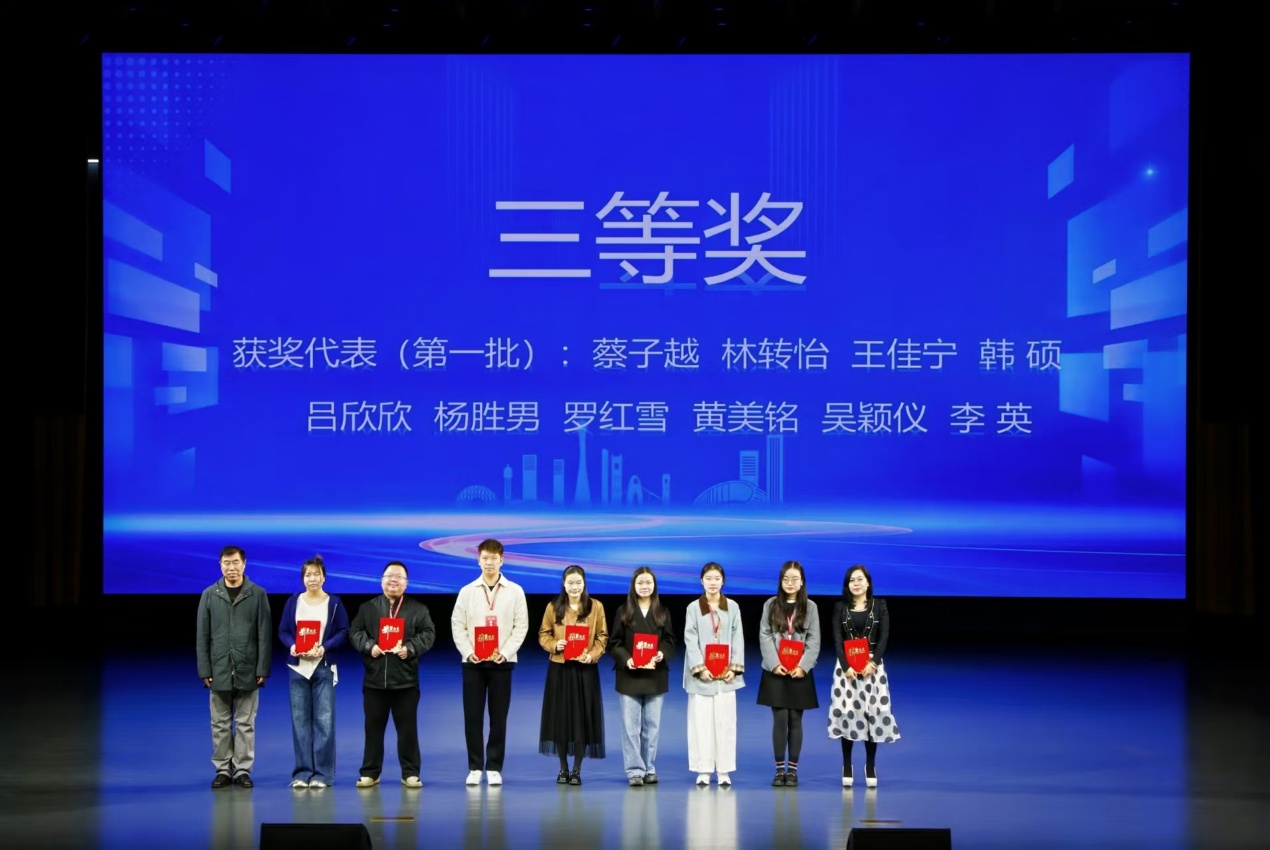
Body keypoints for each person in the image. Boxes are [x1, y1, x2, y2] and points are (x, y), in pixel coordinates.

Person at [349, 561, 436, 788]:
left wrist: (410, 648)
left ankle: (410, 773)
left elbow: (429, 633)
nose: (394, 580)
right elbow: (355, 632)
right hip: (374, 680)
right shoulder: (368, 608)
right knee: (373, 730)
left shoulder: (418, 609)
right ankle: (370, 772)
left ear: (406, 583)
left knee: (407, 731)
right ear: (381, 581)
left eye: (399, 577)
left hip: (405, 681)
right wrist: (369, 646)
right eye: (389, 576)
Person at [452, 538, 529, 786]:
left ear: (502, 560)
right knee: (472, 717)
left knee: (499, 718)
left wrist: (505, 652)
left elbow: (521, 626)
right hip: (473, 663)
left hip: (501, 663)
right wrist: (468, 651)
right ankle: (475, 767)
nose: (489, 563)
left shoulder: (515, 591)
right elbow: (457, 625)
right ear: (478, 560)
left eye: (494, 559)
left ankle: (494, 766)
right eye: (485, 558)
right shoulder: (467, 591)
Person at [196, 545, 272, 789]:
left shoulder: (257, 594)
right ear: (220, 565)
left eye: (235, 562)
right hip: (218, 668)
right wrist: (204, 670)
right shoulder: (209, 594)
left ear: (244, 564)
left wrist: (262, 669)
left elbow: (264, 635)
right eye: (226, 563)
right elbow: (202, 636)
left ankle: (241, 770)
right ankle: (222, 770)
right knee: (219, 724)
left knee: (245, 723)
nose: (231, 567)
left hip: (248, 668)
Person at [277, 554, 349, 789]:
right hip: (298, 667)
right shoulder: (293, 602)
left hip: (323, 666)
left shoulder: (334, 602)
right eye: (308, 575)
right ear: (302, 578)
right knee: (300, 721)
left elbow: (343, 631)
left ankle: (323, 774)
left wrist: (324, 647)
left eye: (316, 574)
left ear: (324, 577)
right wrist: (292, 646)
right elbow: (283, 631)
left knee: (324, 721)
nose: (312, 579)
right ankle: (302, 773)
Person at [829, 564, 900, 787]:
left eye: (860, 579)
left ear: (868, 582)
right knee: (847, 713)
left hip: (872, 669)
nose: (856, 583)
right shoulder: (840, 607)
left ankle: (870, 765)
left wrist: (874, 662)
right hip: (847, 669)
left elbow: (884, 637)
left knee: (872, 714)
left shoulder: (880, 606)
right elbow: (838, 639)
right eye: (852, 580)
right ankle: (847, 765)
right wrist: (845, 666)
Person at [537, 565, 608, 784]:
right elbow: (543, 634)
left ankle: (576, 769)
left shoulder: (595, 606)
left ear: (584, 584)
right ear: (564, 584)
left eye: (578, 582)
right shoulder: (553, 606)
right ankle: (563, 768)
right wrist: (555, 645)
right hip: (560, 668)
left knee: (581, 720)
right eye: (570, 583)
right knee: (560, 719)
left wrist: (592, 655)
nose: (574, 587)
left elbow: (602, 636)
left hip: (584, 670)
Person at [609, 566, 676, 787]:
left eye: (648, 582)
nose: (645, 586)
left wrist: (661, 653)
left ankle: (649, 767)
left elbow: (670, 640)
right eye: (640, 583)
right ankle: (634, 770)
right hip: (630, 675)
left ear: (654, 585)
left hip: (655, 675)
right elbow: (615, 642)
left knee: (651, 726)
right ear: (633, 586)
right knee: (631, 727)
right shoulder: (624, 611)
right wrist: (627, 659)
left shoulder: (662, 611)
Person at [757, 560, 820, 787]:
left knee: (795, 719)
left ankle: (792, 771)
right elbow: (765, 635)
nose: (790, 583)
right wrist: (774, 663)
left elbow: (814, 640)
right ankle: (778, 770)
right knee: (780, 719)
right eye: (786, 579)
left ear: (802, 582)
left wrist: (803, 666)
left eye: (795, 579)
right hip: (776, 671)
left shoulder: (810, 607)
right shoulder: (770, 604)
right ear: (780, 581)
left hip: (799, 672)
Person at [683, 561, 746, 786]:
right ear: (702, 581)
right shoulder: (693, 608)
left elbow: (738, 637)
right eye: (708, 578)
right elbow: (690, 639)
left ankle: (724, 770)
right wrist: (700, 668)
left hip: (725, 676)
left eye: (717, 579)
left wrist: (734, 669)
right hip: (703, 676)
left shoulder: (733, 607)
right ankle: (703, 770)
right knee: (701, 723)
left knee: (725, 724)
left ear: (723, 581)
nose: (712, 583)